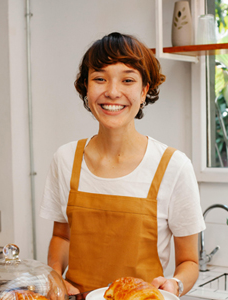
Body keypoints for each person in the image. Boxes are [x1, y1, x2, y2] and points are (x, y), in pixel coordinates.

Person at [40, 32, 205, 297]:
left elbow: (189, 262)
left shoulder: (173, 166)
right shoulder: (65, 159)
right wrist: (55, 275)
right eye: (99, 78)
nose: (112, 92)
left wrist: (175, 284)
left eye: (127, 80)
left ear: (144, 90)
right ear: (86, 87)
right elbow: (62, 237)